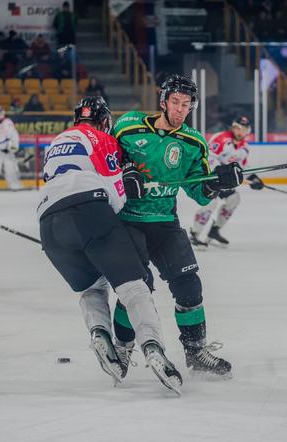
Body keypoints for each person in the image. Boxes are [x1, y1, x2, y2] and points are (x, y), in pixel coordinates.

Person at [38, 96, 182, 393]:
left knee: (93, 286)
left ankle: (99, 332)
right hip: (89, 211)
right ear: (104, 120)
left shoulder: (55, 142)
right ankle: (153, 346)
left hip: (48, 225)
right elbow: (116, 194)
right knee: (135, 285)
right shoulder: (101, 137)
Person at [111, 74, 243, 377]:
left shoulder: (192, 143)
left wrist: (218, 183)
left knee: (189, 286)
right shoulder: (128, 125)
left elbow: (199, 192)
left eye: (186, 104)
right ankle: (121, 347)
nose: (181, 109)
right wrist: (125, 171)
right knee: (137, 287)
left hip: (165, 222)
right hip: (128, 220)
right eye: (176, 102)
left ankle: (196, 351)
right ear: (163, 101)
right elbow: (108, 161)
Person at [189, 115, 252, 248]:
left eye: (243, 129)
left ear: (248, 131)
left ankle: (214, 231)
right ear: (233, 127)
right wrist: (220, 171)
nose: (240, 132)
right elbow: (208, 157)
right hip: (210, 177)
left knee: (234, 199)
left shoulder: (244, 147)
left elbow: (242, 168)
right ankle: (195, 234)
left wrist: (254, 179)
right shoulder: (221, 139)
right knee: (211, 202)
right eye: (237, 128)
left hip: (224, 181)